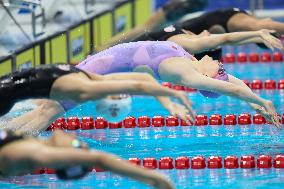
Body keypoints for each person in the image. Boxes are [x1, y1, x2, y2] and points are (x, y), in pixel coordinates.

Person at [77, 41, 281, 128]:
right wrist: (255, 104)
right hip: (104, 59)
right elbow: (235, 83)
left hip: (102, 66)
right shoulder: (191, 61)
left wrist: (263, 101)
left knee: (57, 98)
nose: (221, 63)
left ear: (208, 79)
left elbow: (230, 88)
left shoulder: (186, 73)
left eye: (219, 71)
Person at [0, 63, 195, 135]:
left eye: (119, 94)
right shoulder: (88, 84)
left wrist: (172, 97)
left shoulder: (85, 83)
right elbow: (141, 82)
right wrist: (172, 96)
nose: (120, 89)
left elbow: (140, 83)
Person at [0, 129, 175, 189]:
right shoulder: (33, 147)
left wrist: (154, 178)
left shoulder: (32, 151)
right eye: (81, 145)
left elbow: (98, 159)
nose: (78, 141)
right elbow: (98, 159)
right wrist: (153, 177)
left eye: (78, 145)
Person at [98, 8, 284, 54]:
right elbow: (228, 39)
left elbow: (230, 39)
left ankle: (100, 50)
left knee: (138, 35)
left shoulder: (198, 41)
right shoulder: (245, 24)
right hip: (175, 28)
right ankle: (100, 49)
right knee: (140, 32)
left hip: (176, 28)